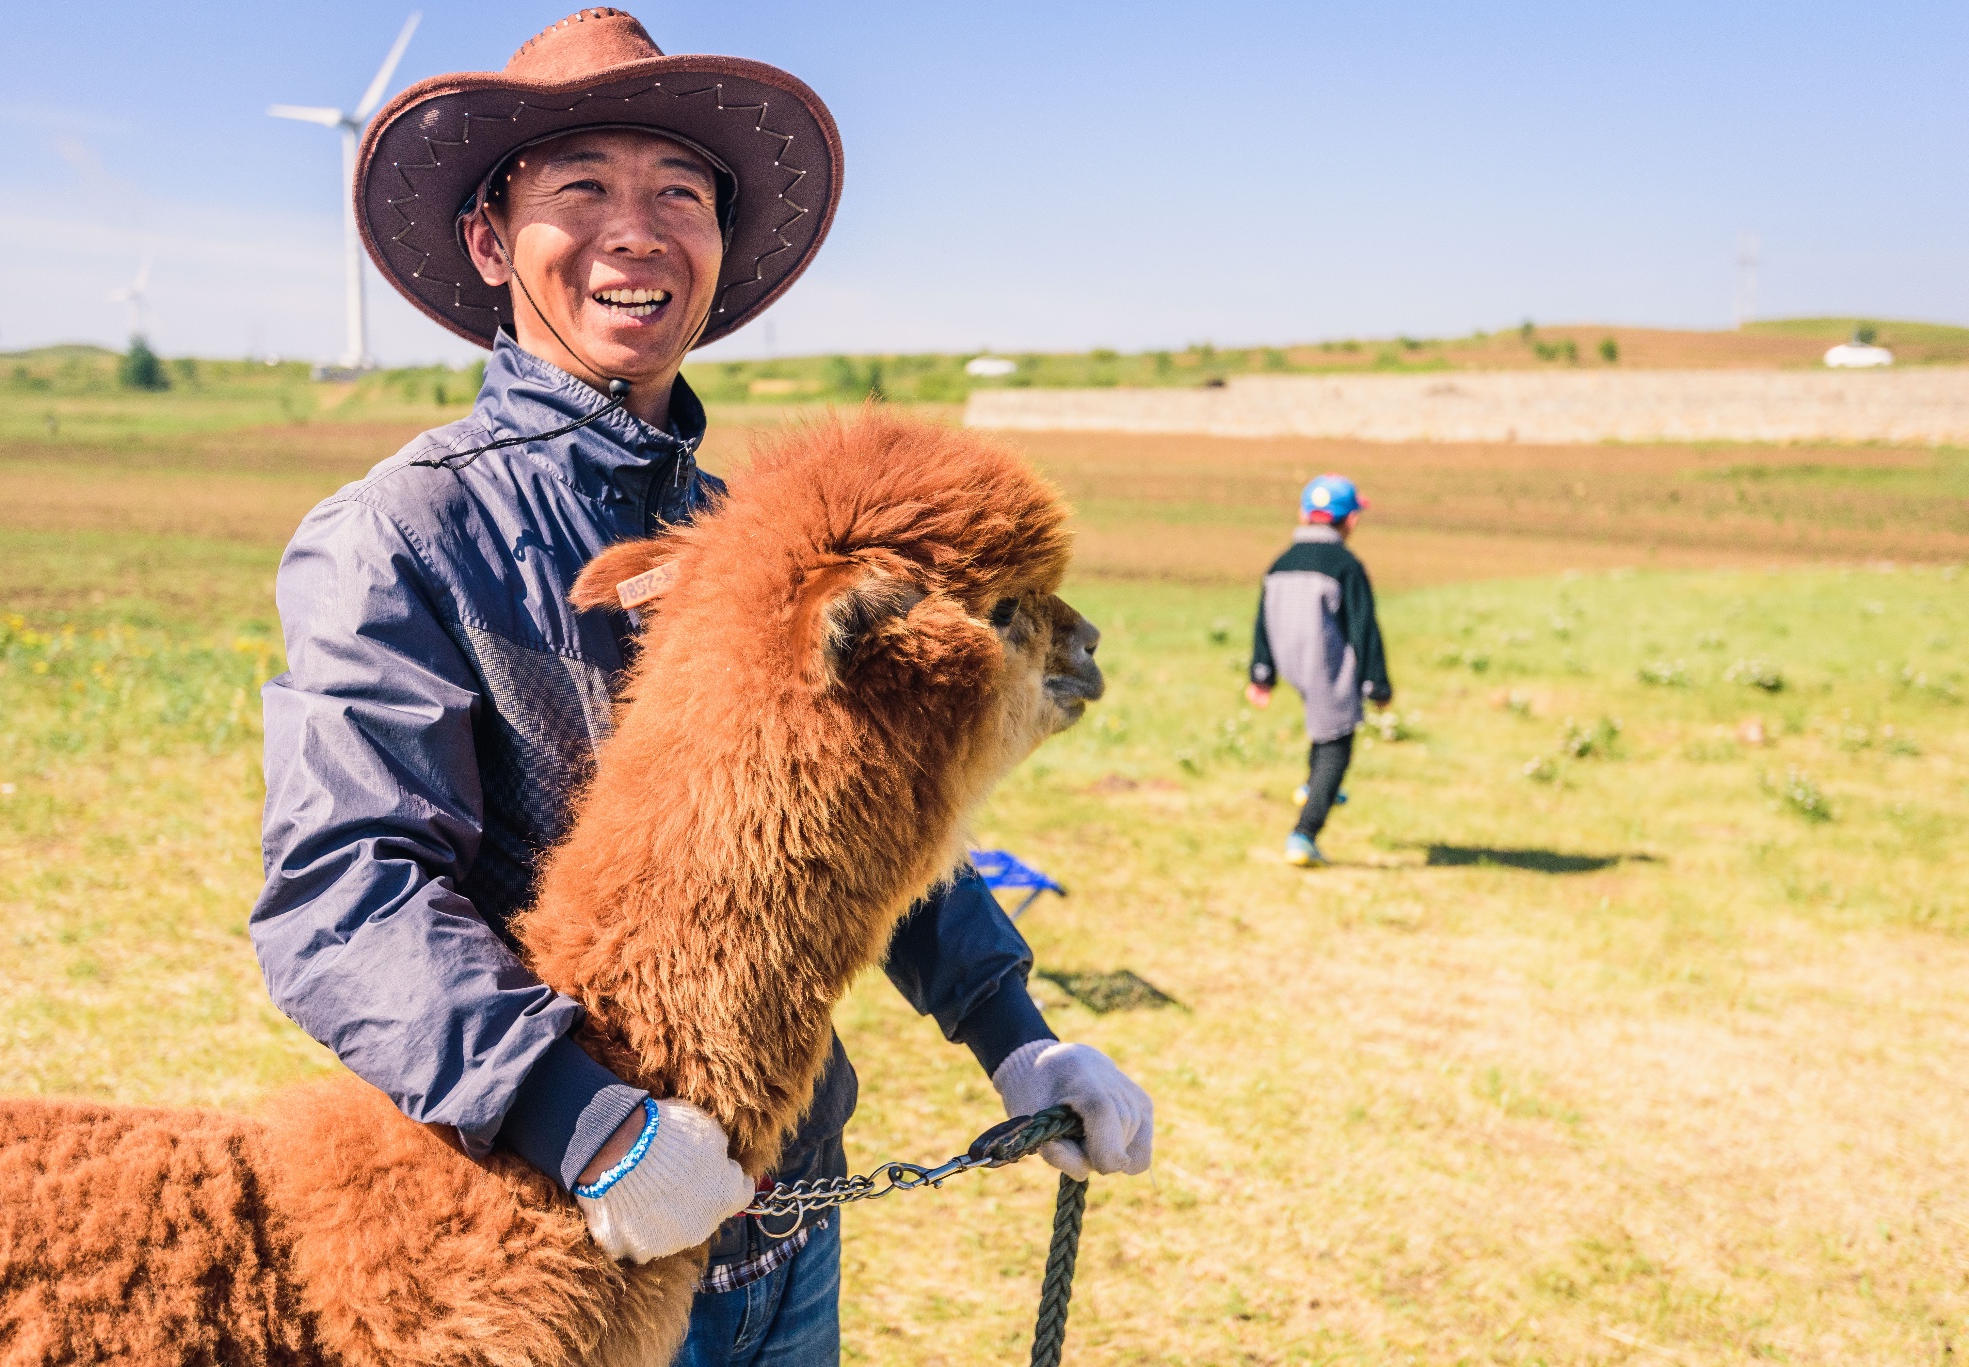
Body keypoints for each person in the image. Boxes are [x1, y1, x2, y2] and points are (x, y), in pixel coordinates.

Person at [249, 11, 1152, 1366]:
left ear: (719, 247)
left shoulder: (767, 534)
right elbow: (344, 892)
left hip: (782, 1228)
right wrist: (586, 1119)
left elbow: (864, 811)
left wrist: (1015, 1034)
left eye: (679, 191)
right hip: (556, 1247)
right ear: (493, 241)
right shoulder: (403, 536)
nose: (636, 229)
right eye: (582, 189)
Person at [1244, 474, 1392, 868]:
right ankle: (1303, 835)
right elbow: (1363, 627)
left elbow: (1263, 619)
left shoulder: (1281, 562)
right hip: (1325, 662)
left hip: (1289, 659)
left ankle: (1316, 786)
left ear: (1303, 515)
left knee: (1323, 729)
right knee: (1337, 743)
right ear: (1351, 520)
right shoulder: (1346, 565)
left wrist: (1262, 673)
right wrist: (1377, 683)